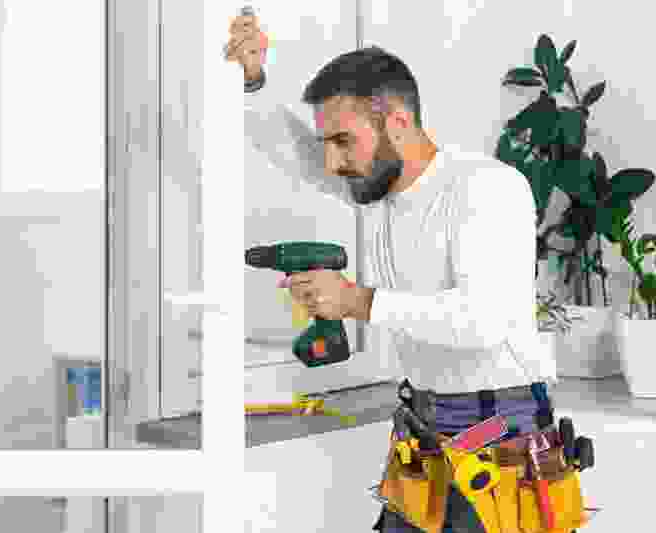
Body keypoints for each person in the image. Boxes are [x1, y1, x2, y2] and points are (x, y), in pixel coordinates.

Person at [225, 12, 565, 533]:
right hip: (423, 430)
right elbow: (293, 153)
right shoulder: (379, 188)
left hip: (502, 434)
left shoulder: (485, 187)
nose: (332, 162)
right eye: (327, 143)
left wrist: (356, 301)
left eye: (343, 141)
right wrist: (253, 80)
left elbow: (482, 320)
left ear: (399, 123)